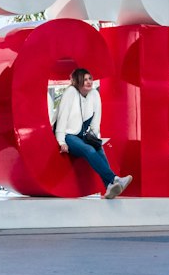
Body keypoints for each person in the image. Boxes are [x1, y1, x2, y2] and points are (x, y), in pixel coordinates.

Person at [53, 68, 133, 199]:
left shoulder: (94, 94)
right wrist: (61, 140)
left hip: (83, 135)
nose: (89, 81)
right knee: (89, 150)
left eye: (90, 78)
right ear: (77, 81)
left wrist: (96, 139)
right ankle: (114, 179)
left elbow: (96, 120)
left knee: (98, 148)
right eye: (85, 79)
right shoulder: (70, 92)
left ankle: (109, 186)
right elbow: (62, 117)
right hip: (68, 135)